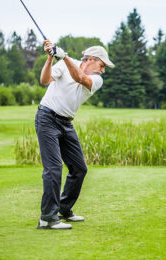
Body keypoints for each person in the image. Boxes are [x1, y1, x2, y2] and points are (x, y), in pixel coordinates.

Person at [36, 40, 114, 229]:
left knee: (79, 169)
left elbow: (80, 78)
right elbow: (44, 80)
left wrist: (64, 56)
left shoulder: (96, 80)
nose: (103, 70)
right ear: (92, 59)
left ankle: (63, 209)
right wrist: (50, 58)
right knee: (54, 168)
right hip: (47, 118)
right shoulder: (63, 63)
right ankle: (47, 218)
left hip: (66, 123)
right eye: (102, 65)